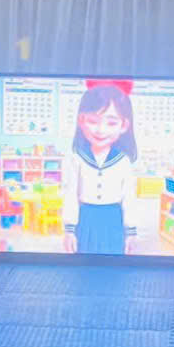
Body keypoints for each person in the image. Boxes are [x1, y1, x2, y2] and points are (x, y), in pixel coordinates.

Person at [58, 81, 139, 256]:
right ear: (81, 121)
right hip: (86, 219)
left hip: (113, 220)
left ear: (124, 126)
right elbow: (70, 194)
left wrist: (131, 232)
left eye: (111, 123)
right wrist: (69, 230)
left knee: (113, 261)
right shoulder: (77, 159)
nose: (101, 130)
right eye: (93, 121)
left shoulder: (123, 161)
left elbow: (129, 198)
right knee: (84, 260)